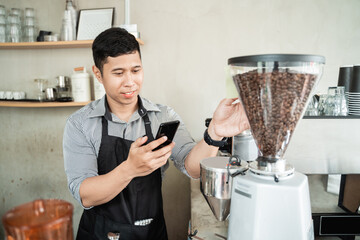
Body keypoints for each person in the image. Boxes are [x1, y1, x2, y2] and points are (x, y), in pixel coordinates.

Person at [63, 27, 249, 240]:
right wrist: (130, 169)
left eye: (136, 70)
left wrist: (215, 133)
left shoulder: (162, 116)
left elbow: (193, 168)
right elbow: (85, 195)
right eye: (118, 73)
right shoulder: (80, 124)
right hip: (102, 234)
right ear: (98, 74)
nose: (130, 82)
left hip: (150, 233)